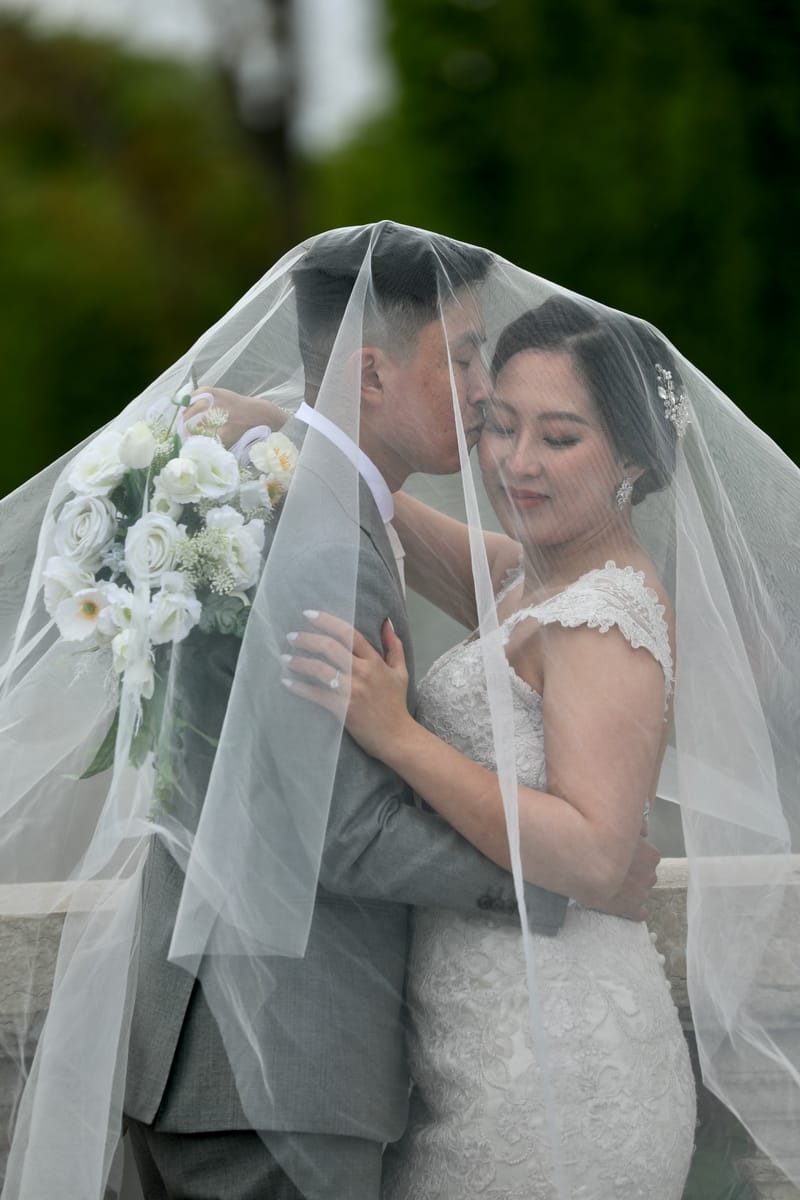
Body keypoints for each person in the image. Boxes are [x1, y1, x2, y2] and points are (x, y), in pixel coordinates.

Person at [0, 224, 659, 1200]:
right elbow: (338, 829)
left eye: (553, 431)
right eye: (463, 358)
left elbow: (513, 568)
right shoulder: (321, 541)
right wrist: (561, 884)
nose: (484, 394)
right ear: (372, 374)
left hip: (252, 1048)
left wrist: (274, 423)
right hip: (281, 1057)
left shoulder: (304, 500)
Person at [281, 296, 699, 1197]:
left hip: (557, 1063)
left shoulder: (601, 620)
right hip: (481, 1041)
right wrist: (280, 426)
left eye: (559, 438)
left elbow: (593, 854)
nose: (515, 462)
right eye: (498, 425)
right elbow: (374, 493)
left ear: (629, 457)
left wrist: (398, 737)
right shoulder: (530, 577)